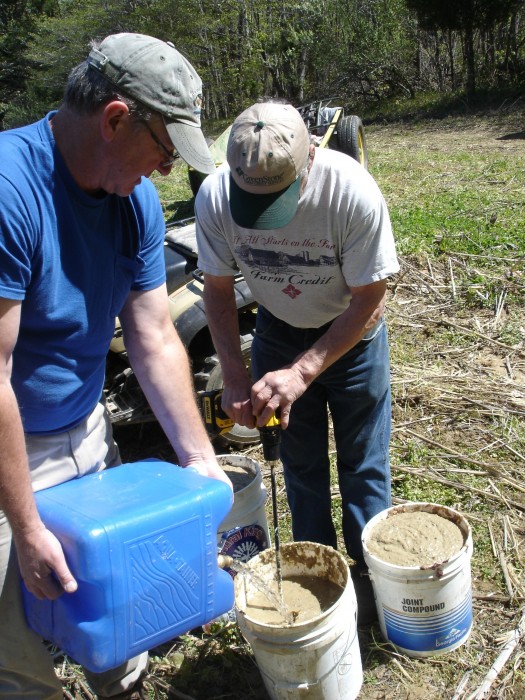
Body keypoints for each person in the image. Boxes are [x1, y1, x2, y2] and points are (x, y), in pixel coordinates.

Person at [0, 33, 232, 700]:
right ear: (114, 119)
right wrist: (27, 524)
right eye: (164, 151)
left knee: (118, 605)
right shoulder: (11, 190)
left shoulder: (134, 203)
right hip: (9, 451)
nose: (165, 171)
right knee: (14, 651)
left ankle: (123, 687)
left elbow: (155, 335)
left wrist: (201, 460)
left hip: (84, 428)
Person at [195, 101, 399, 625]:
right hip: (277, 334)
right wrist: (236, 377)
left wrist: (304, 372)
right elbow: (216, 293)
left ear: (310, 157)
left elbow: (370, 298)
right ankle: (320, 584)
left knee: (363, 467)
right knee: (300, 466)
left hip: (352, 339)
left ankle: (376, 584)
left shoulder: (350, 191)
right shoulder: (216, 197)